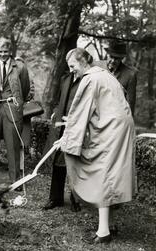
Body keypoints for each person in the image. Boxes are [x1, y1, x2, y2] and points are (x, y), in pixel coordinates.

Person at [54, 48, 135, 243]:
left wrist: (66, 140)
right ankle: (109, 225)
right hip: (120, 129)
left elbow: (80, 112)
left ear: (82, 62)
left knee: (102, 174)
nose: (72, 71)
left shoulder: (90, 79)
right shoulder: (105, 74)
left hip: (111, 131)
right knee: (110, 175)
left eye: (73, 66)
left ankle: (104, 232)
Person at [0, 38, 30, 187]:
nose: (2, 54)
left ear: (11, 52)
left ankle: (15, 181)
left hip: (12, 110)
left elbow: (25, 89)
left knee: (13, 145)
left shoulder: (20, 67)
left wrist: (16, 102)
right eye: (0, 51)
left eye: (5, 52)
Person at [43, 71, 81, 212]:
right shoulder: (65, 78)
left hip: (76, 125)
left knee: (74, 162)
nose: (71, 69)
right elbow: (58, 99)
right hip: (60, 125)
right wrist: (55, 111)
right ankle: (55, 198)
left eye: (73, 65)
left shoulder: (86, 79)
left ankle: (75, 199)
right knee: (58, 162)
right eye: (69, 65)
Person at [94, 40, 137, 116]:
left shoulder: (130, 75)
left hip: (115, 118)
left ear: (122, 58)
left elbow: (130, 103)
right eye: (111, 57)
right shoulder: (96, 67)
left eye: (116, 58)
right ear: (107, 54)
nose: (113, 61)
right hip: (94, 115)